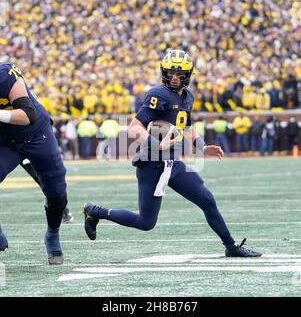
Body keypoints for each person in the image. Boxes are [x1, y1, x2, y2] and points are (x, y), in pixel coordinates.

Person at [83, 49, 262, 257]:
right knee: (146, 223)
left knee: (207, 199)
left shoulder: (188, 97)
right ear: (163, 73)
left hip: (172, 163)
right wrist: (155, 144)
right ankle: (95, 212)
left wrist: (202, 148)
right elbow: (134, 127)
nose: (175, 78)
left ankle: (231, 247)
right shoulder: (158, 95)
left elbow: (187, 127)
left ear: (188, 75)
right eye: (170, 73)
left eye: (180, 74)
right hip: (151, 164)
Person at [0, 63, 67, 264]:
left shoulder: (6, 75)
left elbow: (28, 115)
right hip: (4, 140)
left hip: (36, 135)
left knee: (56, 193)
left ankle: (52, 234)